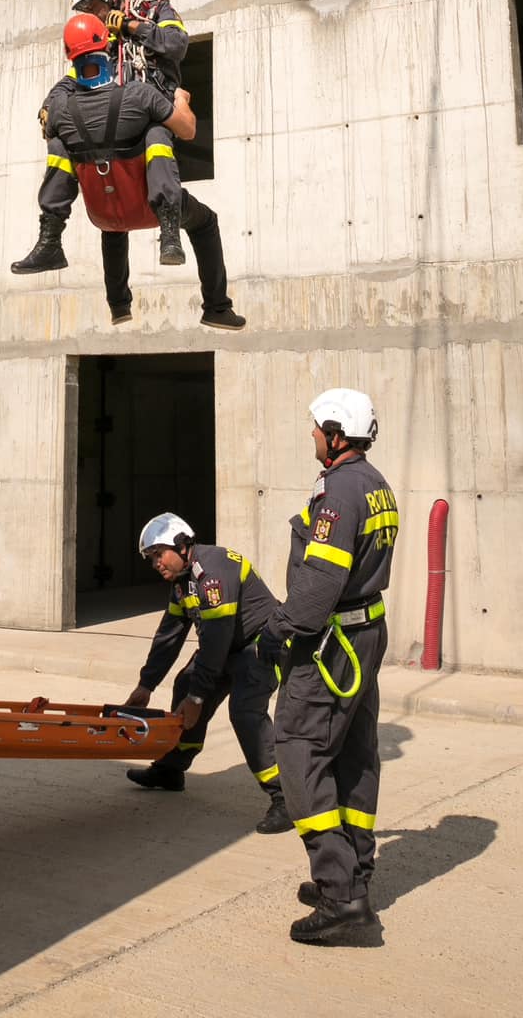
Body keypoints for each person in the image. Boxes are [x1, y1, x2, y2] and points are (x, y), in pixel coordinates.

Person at [257, 389, 399, 946]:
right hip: (364, 634)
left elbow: (319, 584)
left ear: (337, 435)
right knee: (354, 753)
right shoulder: (374, 483)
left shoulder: (338, 492)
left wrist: (279, 630)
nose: (312, 435)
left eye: (317, 428)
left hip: (331, 643)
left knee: (298, 749)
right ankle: (354, 872)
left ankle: (341, 898)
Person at [13, 15, 245, 329]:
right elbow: (188, 130)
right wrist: (180, 99)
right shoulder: (139, 95)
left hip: (103, 215)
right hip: (150, 208)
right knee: (203, 218)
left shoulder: (59, 109)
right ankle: (212, 301)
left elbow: (54, 117)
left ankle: (113, 299)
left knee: (62, 148)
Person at [12, 0, 191, 277]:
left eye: (94, 7)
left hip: (154, 111)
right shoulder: (103, 37)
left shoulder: (155, 11)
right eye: (86, 11)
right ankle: (50, 239)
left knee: (157, 136)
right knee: (61, 144)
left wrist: (131, 27)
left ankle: (169, 232)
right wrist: (49, 105)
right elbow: (75, 75)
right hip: (117, 119)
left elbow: (176, 44)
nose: (92, 16)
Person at [121, 512, 292, 834]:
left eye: (158, 554)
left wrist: (198, 698)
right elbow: (169, 635)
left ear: (181, 545)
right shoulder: (182, 582)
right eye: (151, 558)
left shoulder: (213, 573)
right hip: (226, 646)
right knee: (185, 684)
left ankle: (285, 797)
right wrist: (146, 685)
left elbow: (215, 639)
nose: (156, 564)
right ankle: (171, 769)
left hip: (259, 645)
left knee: (245, 712)